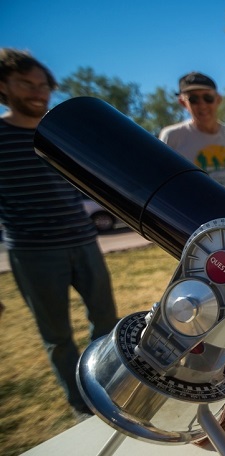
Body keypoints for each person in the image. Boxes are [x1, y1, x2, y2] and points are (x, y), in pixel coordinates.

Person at [0, 48, 119, 420]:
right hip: (34, 252)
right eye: (26, 84)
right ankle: (81, 404)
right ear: (4, 85)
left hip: (84, 241)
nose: (37, 92)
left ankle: (110, 388)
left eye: (43, 86)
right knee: (57, 335)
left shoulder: (59, 133)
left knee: (106, 321)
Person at [159, 72, 225, 201]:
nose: (202, 105)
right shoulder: (172, 137)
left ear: (218, 99)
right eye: (193, 99)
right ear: (182, 102)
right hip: (196, 218)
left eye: (208, 98)